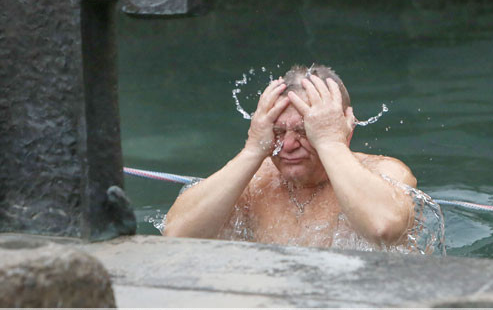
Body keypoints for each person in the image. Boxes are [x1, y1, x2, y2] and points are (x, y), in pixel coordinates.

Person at [163, 64, 417, 249]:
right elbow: (176, 237)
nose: (287, 144)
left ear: (345, 129)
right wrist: (253, 149)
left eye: (305, 131)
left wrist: (330, 142)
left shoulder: (385, 172)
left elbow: (383, 229)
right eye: (277, 131)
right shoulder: (255, 182)